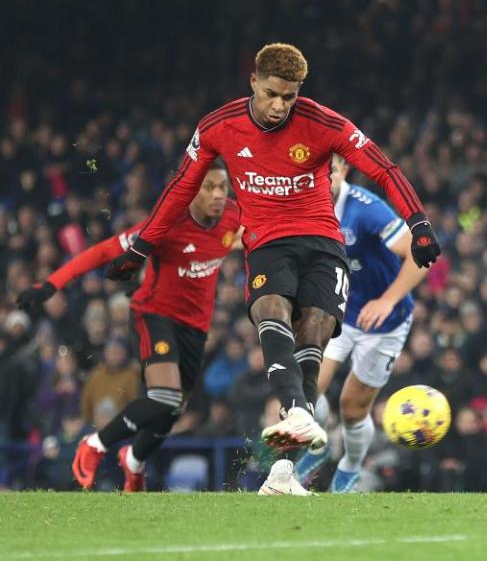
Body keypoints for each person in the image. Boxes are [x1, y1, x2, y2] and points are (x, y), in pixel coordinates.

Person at [102, 43, 439, 495]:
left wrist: (418, 224)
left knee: (315, 328)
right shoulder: (219, 126)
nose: (280, 105)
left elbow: (383, 168)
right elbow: (183, 187)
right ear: (254, 82)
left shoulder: (324, 124)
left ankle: (281, 474)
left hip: (321, 241)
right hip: (266, 241)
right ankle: (298, 412)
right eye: (273, 94)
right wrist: (142, 247)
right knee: (271, 308)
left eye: (290, 96)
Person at [17, 166, 240, 492]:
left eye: (223, 187)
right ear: (191, 190)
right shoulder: (165, 224)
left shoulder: (234, 214)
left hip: (196, 326)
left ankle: (133, 462)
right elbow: (105, 250)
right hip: (156, 315)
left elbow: (254, 234)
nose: (219, 195)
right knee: (164, 397)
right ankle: (95, 444)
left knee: (173, 408)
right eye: (209, 188)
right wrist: (51, 284)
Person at [292, 154, 426, 493]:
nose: (322, 182)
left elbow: (419, 254)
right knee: (304, 389)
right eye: (314, 175)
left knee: (351, 409)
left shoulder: (366, 209)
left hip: (384, 322)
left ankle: (350, 466)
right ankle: (318, 447)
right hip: (339, 311)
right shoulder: (304, 207)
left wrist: (388, 300)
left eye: (330, 173)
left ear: (344, 171)